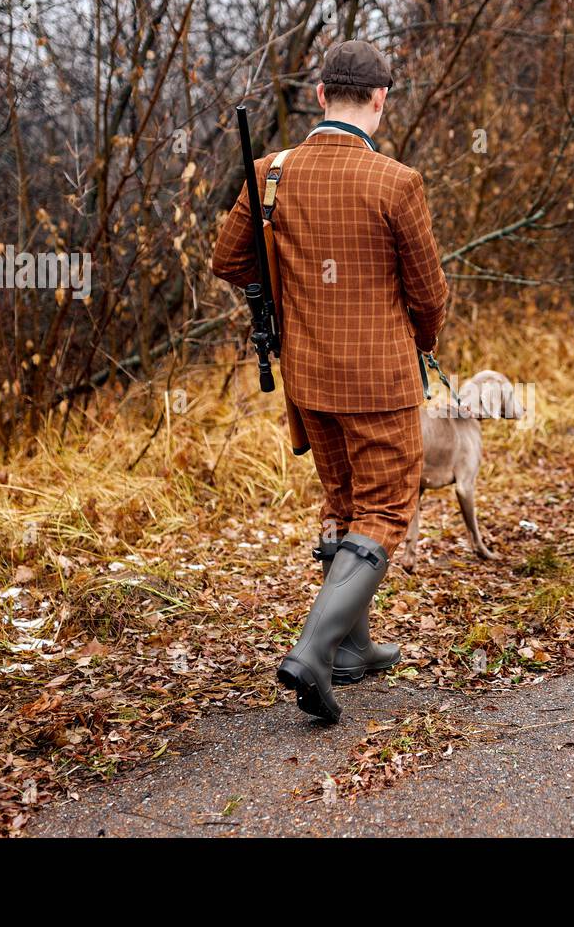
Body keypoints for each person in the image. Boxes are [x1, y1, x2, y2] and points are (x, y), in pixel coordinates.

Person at [212, 40, 449, 723]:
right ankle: (313, 655)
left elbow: (229, 262)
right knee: (386, 510)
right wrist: (422, 342)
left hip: (309, 377)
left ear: (319, 95)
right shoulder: (395, 182)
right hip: (381, 378)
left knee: (345, 502)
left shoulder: (271, 174)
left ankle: (351, 649)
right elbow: (428, 294)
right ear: (380, 99)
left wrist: (286, 292)